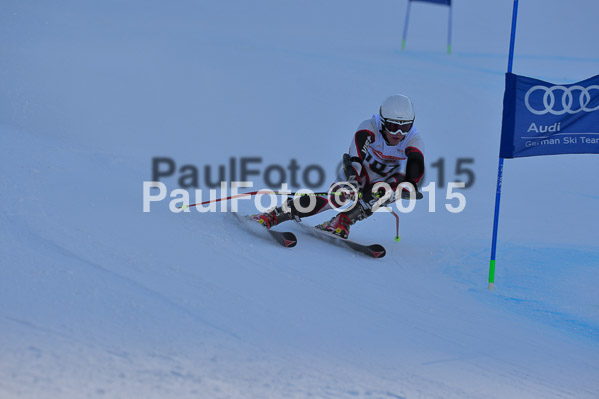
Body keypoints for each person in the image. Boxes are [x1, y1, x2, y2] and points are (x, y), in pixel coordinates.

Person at [252, 94, 425, 238]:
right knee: (337, 198)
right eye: (393, 126)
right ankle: (275, 214)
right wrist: (353, 178)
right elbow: (357, 154)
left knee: (394, 188)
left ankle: (342, 221)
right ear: (383, 121)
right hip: (359, 173)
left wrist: (410, 184)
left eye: (405, 127)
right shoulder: (369, 126)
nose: (399, 134)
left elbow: (416, 163)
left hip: (383, 182)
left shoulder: (413, 139)